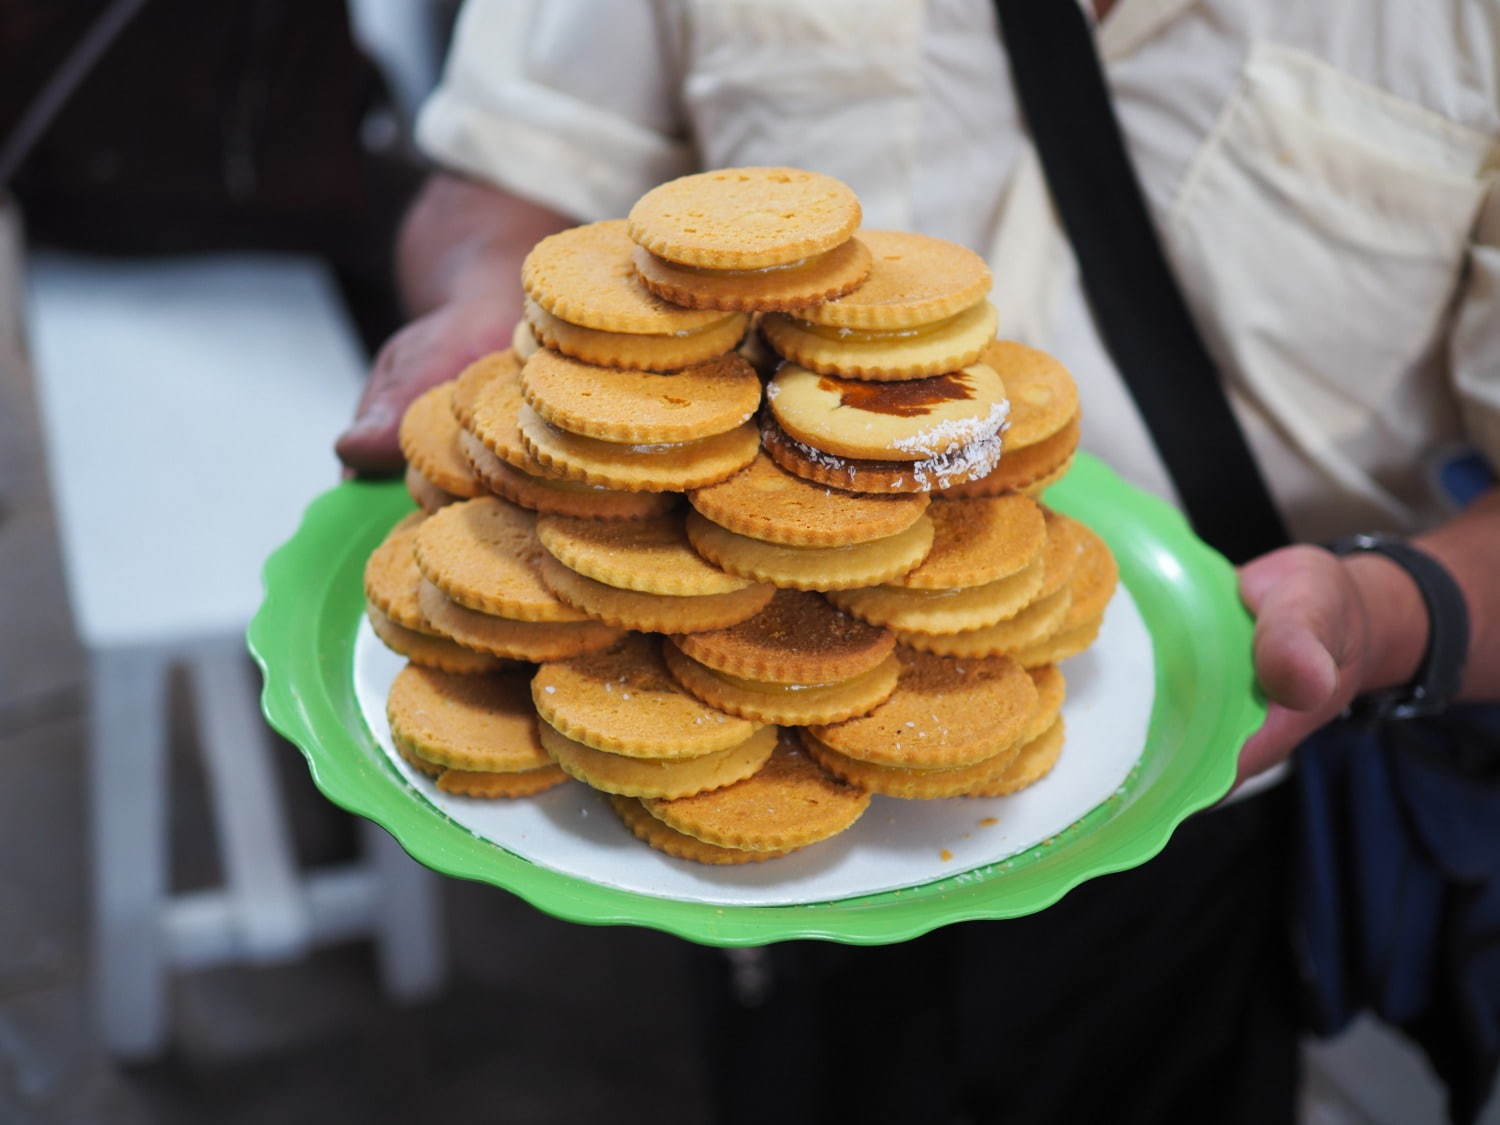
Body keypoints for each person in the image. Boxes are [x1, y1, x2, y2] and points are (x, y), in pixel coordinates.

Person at [336, 2, 1500, 1120]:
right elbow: (505, 168)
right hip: (708, 718)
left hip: (1208, 779)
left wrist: (1386, 611)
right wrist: (495, 325)